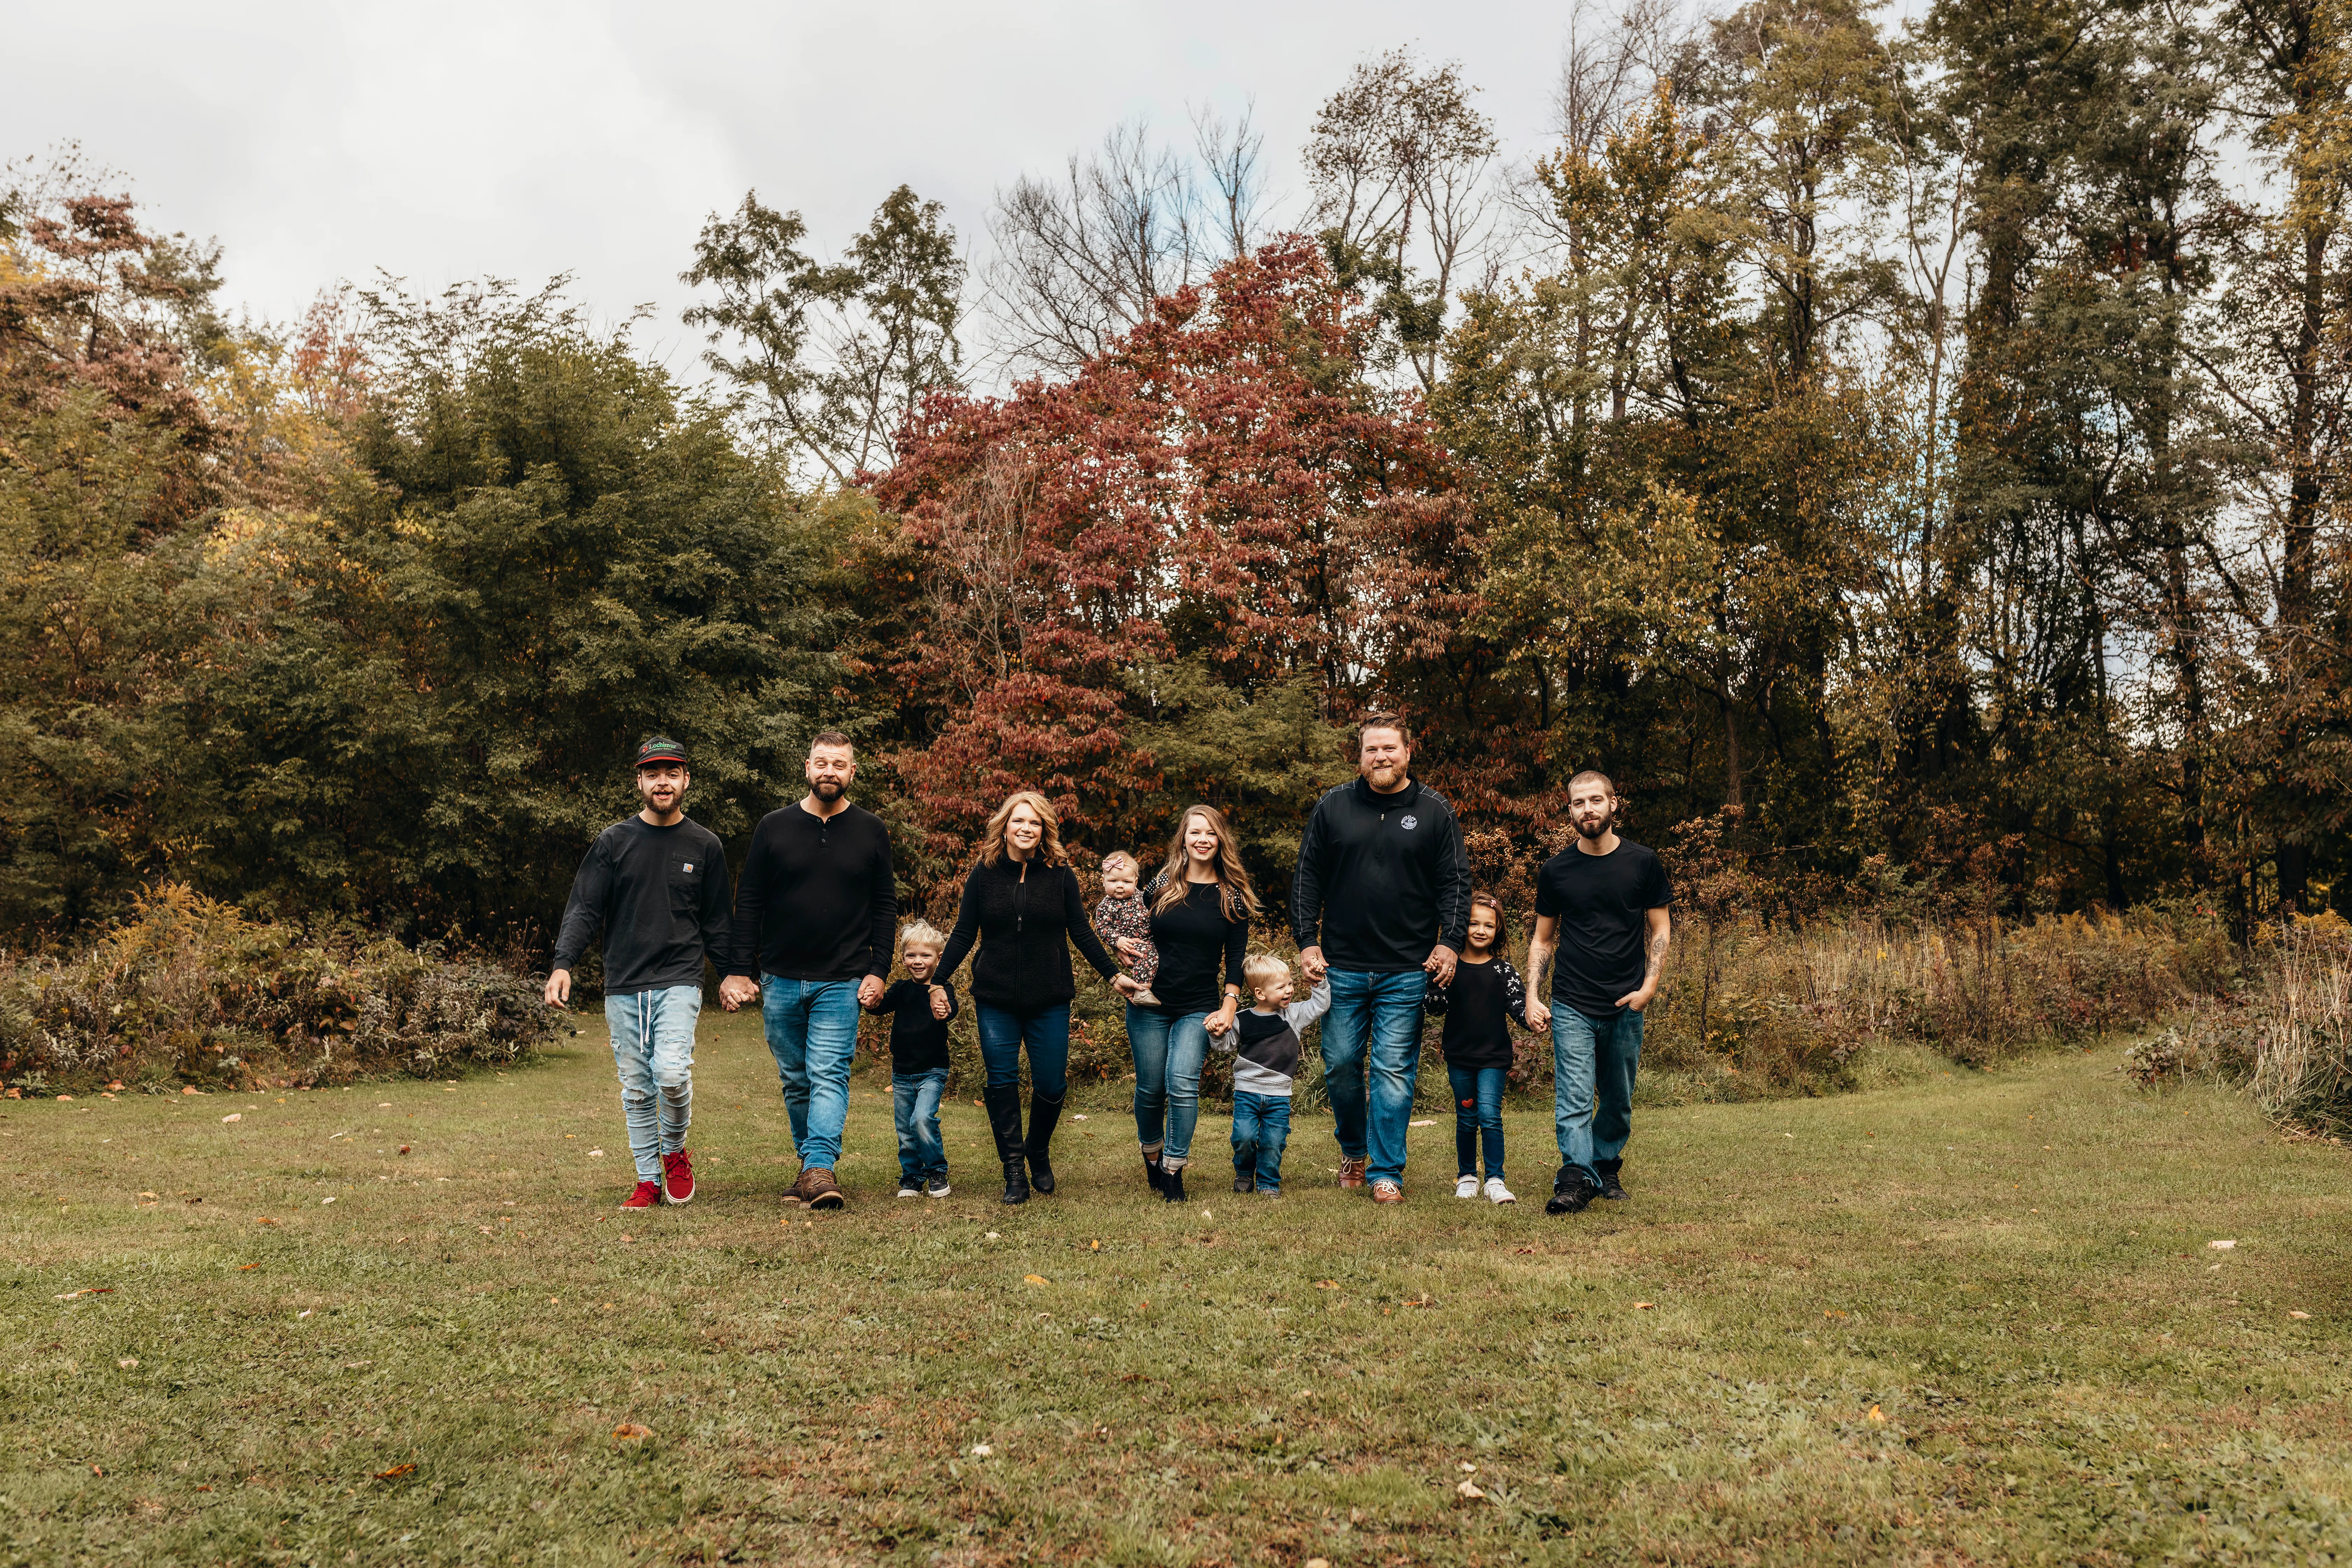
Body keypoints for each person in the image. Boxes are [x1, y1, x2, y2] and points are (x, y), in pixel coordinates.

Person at [1292, 714, 1471, 1204]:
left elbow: (1456, 882)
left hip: (1408, 970)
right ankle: (1353, 1149)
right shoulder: (1334, 806)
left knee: (1393, 1071)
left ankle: (1386, 1171)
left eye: (1390, 748)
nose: (1382, 757)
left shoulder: (1435, 810)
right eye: (1373, 749)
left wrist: (1450, 941)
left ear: (1408, 752)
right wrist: (1307, 941)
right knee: (1342, 1066)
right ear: (1361, 755)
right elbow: (1307, 878)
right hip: (1341, 967)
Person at [547, 736, 733, 1210]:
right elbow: (585, 908)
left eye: (672, 773)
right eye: (654, 774)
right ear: (640, 782)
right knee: (636, 1087)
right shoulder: (614, 842)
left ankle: (674, 1153)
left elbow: (716, 920)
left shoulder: (705, 845)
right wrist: (563, 963)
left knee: (671, 1075)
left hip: (680, 978)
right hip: (624, 982)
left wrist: (733, 973)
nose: (663, 782)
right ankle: (648, 1180)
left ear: (686, 780)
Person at [718, 732, 898, 1212]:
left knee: (828, 1073)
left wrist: (879, 969)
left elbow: (885, 907)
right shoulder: (773, 828)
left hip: (842, 978)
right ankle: (809, 1169)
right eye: (822, 763)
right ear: (807, 767)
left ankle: (820, 1165)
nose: (829, 772)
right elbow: (750, 901)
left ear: (852, 773)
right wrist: (739, 970)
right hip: (780, 977)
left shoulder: (871, 830)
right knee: (796, 1079)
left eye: (839, 764)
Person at [936, 791, 1134, 1204]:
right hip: (995, 997)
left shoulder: (1060, 874)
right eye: (1018, 821)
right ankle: (1014, 1170)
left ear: (1044, 830)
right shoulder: (984, 873)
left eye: (1035, 823)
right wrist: (935, 980)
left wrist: (1114, 975)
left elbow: (1080, 931)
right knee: (1002, 1081)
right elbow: (962, 933)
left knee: (1051, 1083)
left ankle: (1038, 1150)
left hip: (1050, 997)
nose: (1026, 829)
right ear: (1004, 826)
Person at [1525, 769, 1673, 1216]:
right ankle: (1575, 1179)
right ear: (1569, 810)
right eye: (1577, 803)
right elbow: (1542, 939)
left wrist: (1649, 986)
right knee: (1573, 1096)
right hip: (1572, 1000)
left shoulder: (1643, 862)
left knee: (1617, 1098)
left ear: (1614, 803)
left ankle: (1606, 1166)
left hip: (1626, 1002)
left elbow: (1661, 927)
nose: (1587, 809)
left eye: (1595, 800)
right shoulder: (1556, 870)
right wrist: (1533, 994)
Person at [1118, 806, 1256, 1203]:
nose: (1203, 839)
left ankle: (1174, 1167)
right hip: (1149, 1001)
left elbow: (1235, 957)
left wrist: (1230, 1003)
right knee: (1150, 1089)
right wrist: (1120, 946)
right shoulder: (1161, 884)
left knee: (1181, 1082)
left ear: (1220, 841)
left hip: (1199, 1005)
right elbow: (1129, 922)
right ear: (1184, 838)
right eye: (1195, 832)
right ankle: (1152, 1153)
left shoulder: (1233, 896)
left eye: (1211, 833)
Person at [1422, 891, 1531, 1205]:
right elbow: (1435, 1008)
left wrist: (1534, 1017)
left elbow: (1518, 1007)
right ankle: (1467, 1178)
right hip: (1459, 1057)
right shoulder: (1450, 970)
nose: (1481, 930)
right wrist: (1433, 980)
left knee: (1490, 1115)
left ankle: (1496, 1180)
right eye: (1473, 924)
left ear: (1498, 931)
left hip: (1494, 1058)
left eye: (1489, 925)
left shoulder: (1504, 971)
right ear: (1462, 927)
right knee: (1467, 1117)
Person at [1209, 953, 1330, 1197]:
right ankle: (1244, 1171)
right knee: (1243, 1138)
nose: (1289, 990)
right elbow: (1225, 1046)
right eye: (1282, 987)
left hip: (1279, 1096)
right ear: (1260, 994)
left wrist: (1320, 983)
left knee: (1273, 1143)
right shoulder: (1242, 1019)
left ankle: (1268, 1183)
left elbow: (1320, 1005)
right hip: (1247, 1093)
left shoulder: (1293, 1016)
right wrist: (1216, 1032)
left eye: (1290, 984)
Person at [863, 920, 958, 1199]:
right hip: (902, 1072)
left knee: (922, 1119)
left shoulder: (943, 989)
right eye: (911, 955)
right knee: (905, 1129)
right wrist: (870, 1001)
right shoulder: (902, 989)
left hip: (933, 1070)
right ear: (903, 958)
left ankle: (937, 1171)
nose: (918, 961)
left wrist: (944, 1010)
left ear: (939, 958)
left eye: (925, 955)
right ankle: (912, 1178)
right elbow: (881, 1007)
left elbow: (949, 1010)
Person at [1092, 851, 1162, 1006]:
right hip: (1130, 943)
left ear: (1136, 882)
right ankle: (1142, 991)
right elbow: (1103, 928)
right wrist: (1118, 941)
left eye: (1126, 882)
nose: (1120, 886)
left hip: (1150, 938)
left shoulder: (1142, 897)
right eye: (1113, 881)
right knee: (1147, 957)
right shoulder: (1106, 906)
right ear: (1103, 881)